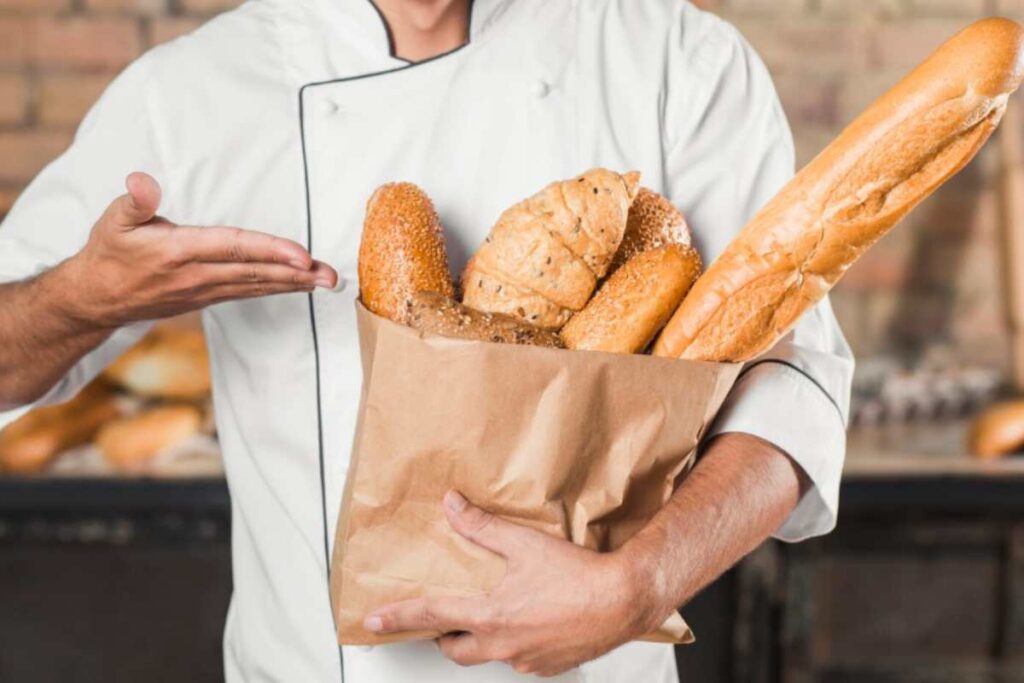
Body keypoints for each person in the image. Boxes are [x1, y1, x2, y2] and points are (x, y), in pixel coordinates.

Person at [0, 0, 852, 680]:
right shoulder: (191, 95)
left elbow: (793, 383)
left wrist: (640, 584)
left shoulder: (675, 59)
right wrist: (77, 299)